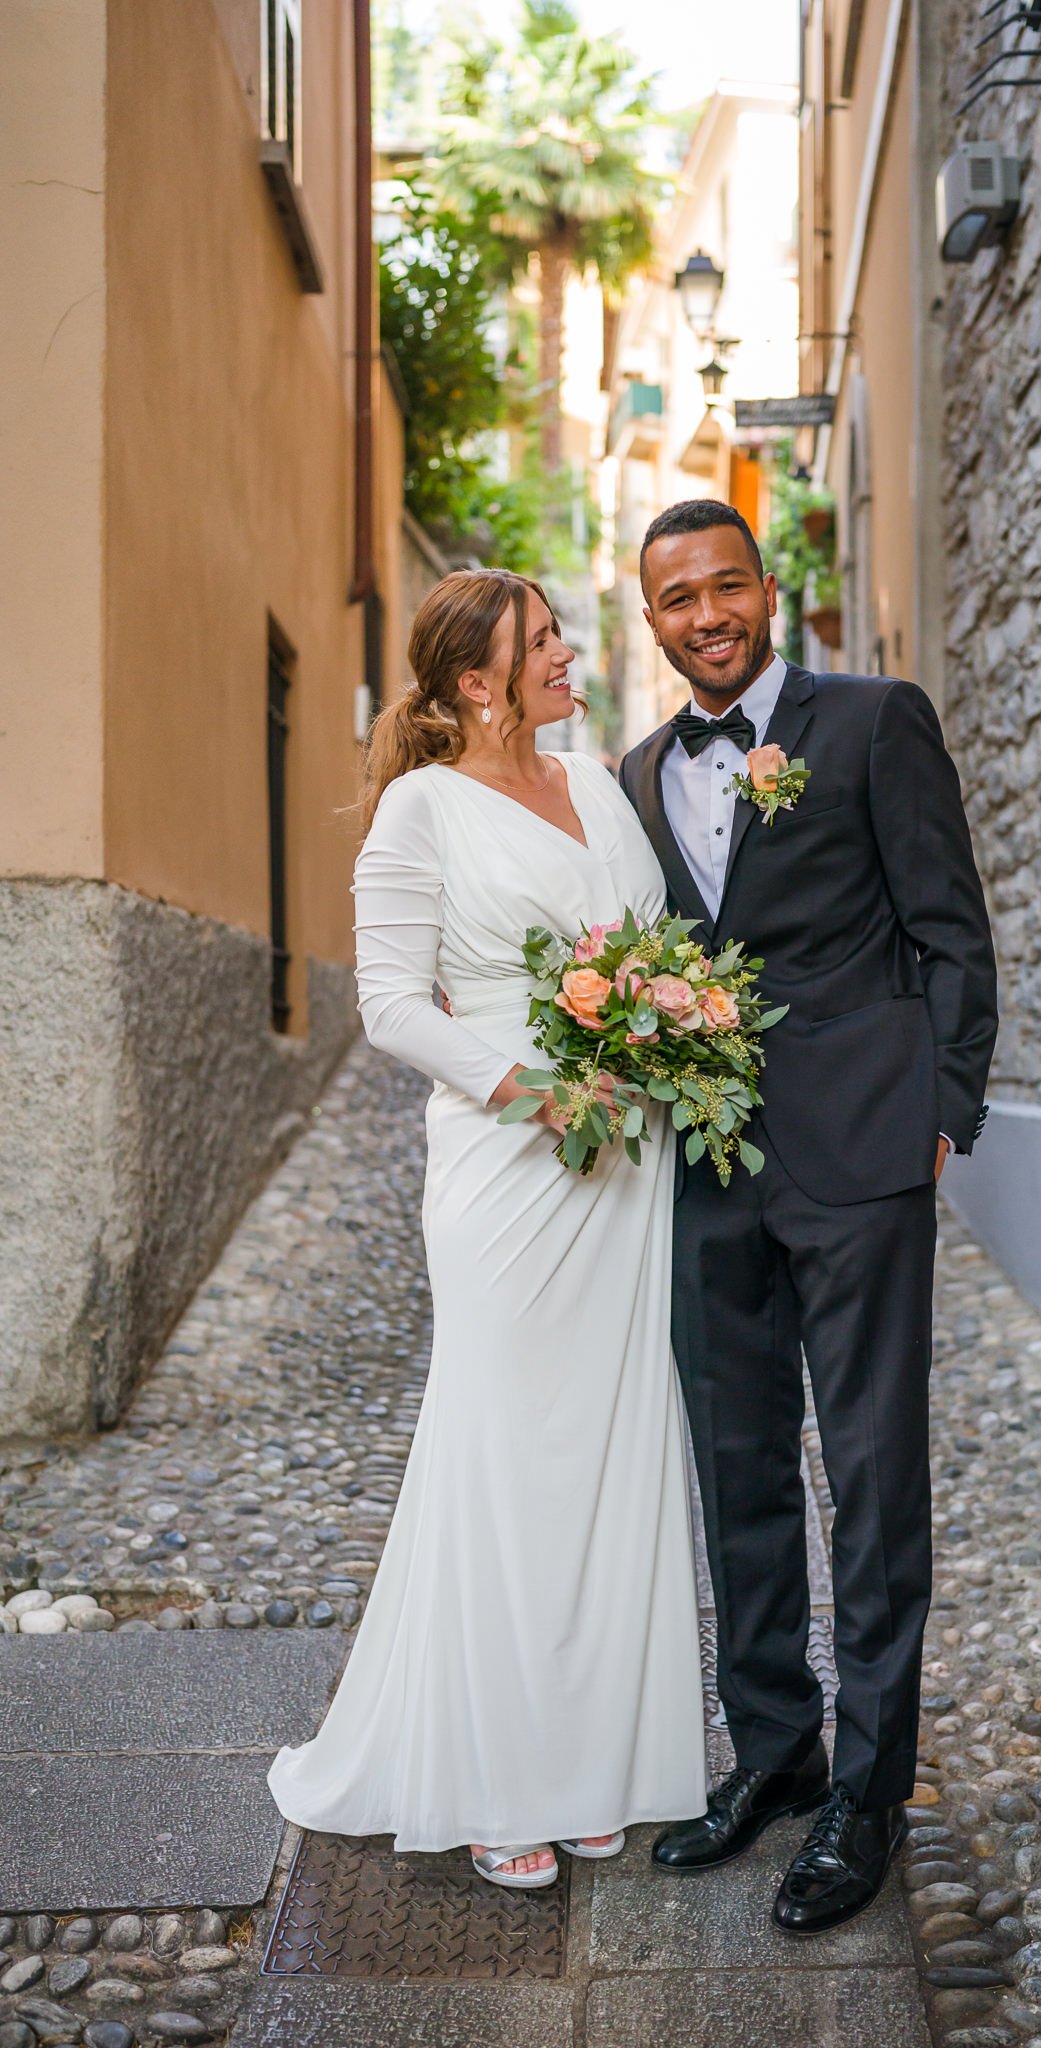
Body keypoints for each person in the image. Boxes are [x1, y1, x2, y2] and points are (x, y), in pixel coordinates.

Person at [268, 569, 706, 1888]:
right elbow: (391, 1005)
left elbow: (654, 951)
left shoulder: (598, 789)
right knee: (510, 1451)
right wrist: (535, 1090)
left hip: (627, 1152)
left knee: (613, 1449)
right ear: (476, 683)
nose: (569, 655)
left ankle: (595, 1763)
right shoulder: (420, 808)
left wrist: (666, 1034)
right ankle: (496, 1778)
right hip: (509, 1158)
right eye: (542, 643)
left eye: (560, 636)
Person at [620, 500, 997, 1935]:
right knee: (737, 1471)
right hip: (708, 1167)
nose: (706, 615)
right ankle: (772, 1751)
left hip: (863, 1156)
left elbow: (949, 928)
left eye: (726, 586)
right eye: (678, 599)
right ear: (652, 620)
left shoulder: (874, 721)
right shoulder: (639, 773)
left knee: (871, 1472)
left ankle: (867, 1791)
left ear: (768, 591)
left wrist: (940, 1112)